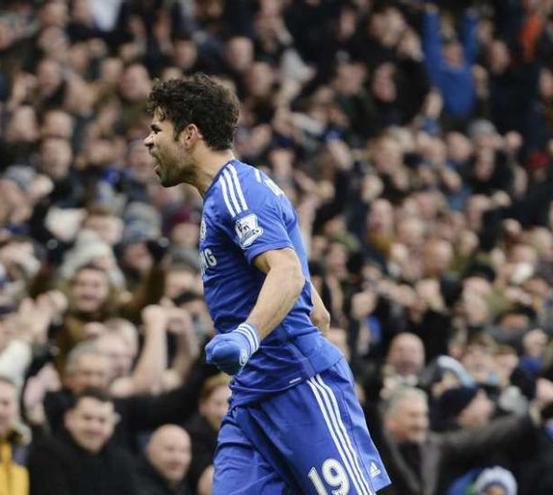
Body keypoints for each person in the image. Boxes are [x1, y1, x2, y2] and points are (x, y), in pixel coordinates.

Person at [144, 74, 390, 494]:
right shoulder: (227, 197)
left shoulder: (237, 190)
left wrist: (247, 334)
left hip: (296, 388)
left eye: (156, 129)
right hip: (251, 400)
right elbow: (315, 307)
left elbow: (287, 273)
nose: (148, 142)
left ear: (189, 135)